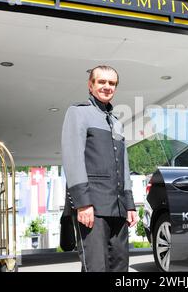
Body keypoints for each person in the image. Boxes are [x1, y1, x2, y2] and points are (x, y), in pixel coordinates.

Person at [61, 65, 138, 272]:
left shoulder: (116, 122)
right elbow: (73, 158)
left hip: (118, 207)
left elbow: (124, 164)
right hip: (92, 206)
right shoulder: (78, 112)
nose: (107, 86)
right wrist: (83, 203)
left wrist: (129, 205)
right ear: (90, 85)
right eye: (101, 82)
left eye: (112, 83)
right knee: (96, 267)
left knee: (120, 266)